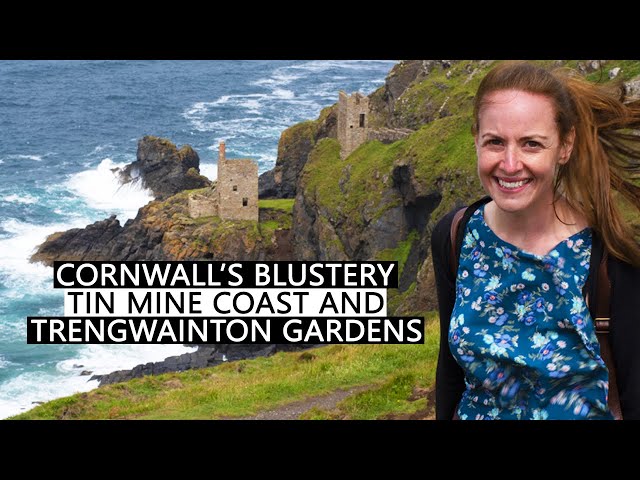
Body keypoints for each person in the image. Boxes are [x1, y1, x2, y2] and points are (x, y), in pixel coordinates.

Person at [431, 61, 640, 420]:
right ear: (476, 139)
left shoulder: (609, 255)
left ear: (564, 146)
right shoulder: (456, 234)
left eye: (531, 144)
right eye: (495, 142)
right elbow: (450, 375)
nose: (510, 164)